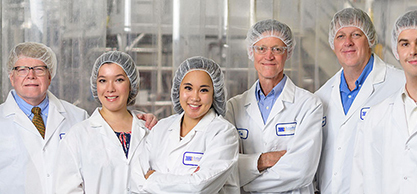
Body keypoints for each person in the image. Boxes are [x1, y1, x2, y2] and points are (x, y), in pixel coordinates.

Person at [0, 43, 157, 194]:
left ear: (50, 76)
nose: (31, 76)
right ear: (11, 77)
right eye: (22, 70)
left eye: (39, 69)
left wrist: (139, 118)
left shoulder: (77, 116)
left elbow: (110, 129)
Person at [350, 10, 417, 194]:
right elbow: (360, 182)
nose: (413, 51)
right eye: (405, 44)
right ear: (397, 51)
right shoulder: (377, 116)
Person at [314, 8, 405, 194]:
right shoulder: (321, 96)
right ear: (333, 44)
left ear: (370, 39)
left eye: (356, 34)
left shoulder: (400, 84)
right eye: (340, 36)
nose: (348, 42)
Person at [225, 19, 323, 193]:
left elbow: (302, 170)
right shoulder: (234, 106)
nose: (268, 56)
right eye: (261, 48)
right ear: (251, 52)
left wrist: (245, 183)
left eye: (277, 49)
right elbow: (226, 165)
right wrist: (264, 160)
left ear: (288, 53)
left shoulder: (309, 105)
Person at [132, 56, 239, 193]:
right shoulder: (161, 127)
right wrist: (186, 179)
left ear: (215, 93)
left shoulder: (223, 132)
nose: (195, 97)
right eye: (188, 88)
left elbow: (198, 187)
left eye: (203, 90)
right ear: (178, 89)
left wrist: (152, 177)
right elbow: (136, 179)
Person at [53, 51, 151, 193]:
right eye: (103, 80)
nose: (110, 88)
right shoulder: (78, 136)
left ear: (131, 84)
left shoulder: (149, 131)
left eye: (119, 80)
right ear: (95, 85)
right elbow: (66, 190)